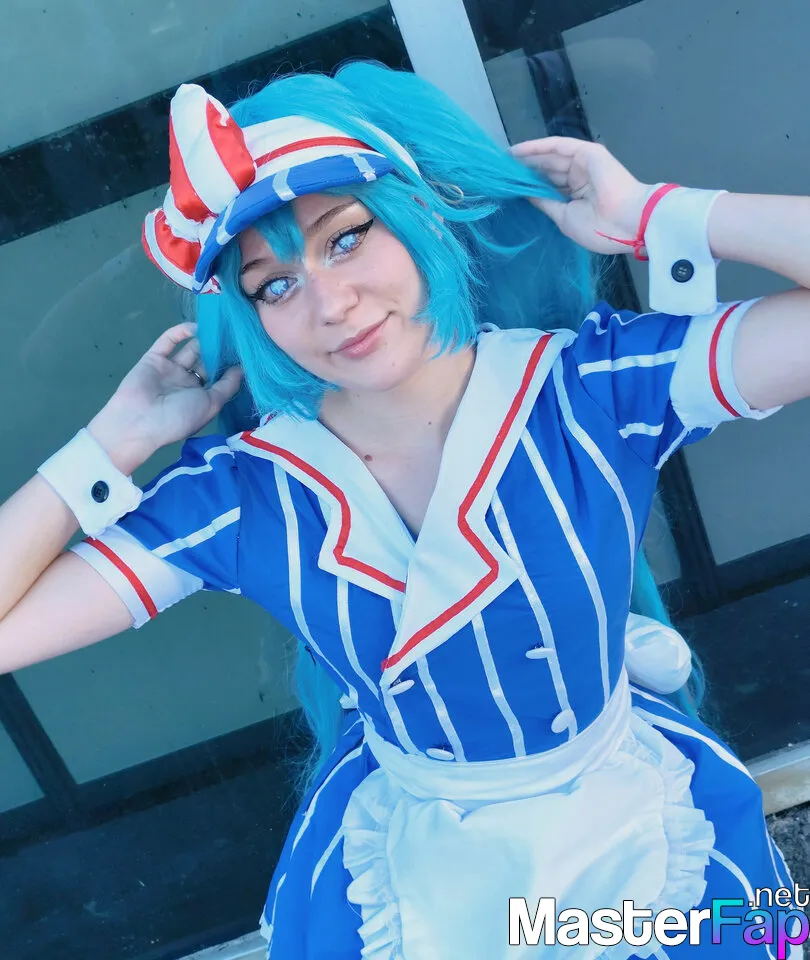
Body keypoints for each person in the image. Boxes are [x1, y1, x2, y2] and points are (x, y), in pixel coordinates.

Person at [1, 60, 807, 959]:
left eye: (346, 238)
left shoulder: (591, 391)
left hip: (635, 831)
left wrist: (660, 215)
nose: (330, 303)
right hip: (414, 868)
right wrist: (109, 446)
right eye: (274, 284)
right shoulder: (244, 494)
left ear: (416, 212)